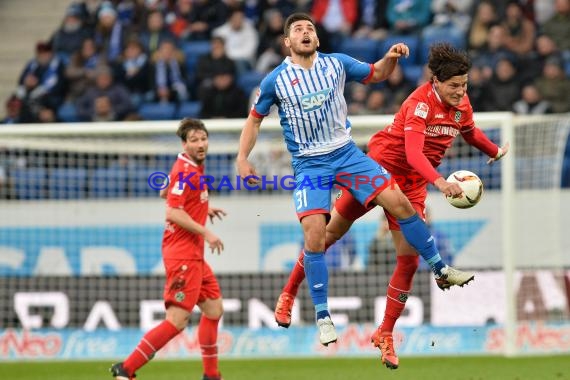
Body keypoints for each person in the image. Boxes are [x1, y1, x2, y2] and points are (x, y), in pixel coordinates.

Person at [236, 13, 475, 349]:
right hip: (309, 164)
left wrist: (389, 60)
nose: (305, 33)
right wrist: (243, 157)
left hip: (346, 155)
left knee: (400, 203)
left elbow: (375, 73)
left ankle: (439, 268)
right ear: (287, 43)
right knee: (317, 236)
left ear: (317, 39)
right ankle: (321, 316)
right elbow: (255, 121)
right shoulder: (275, 80)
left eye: (310, 29)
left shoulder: (336, 64)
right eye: (298, 31)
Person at [272, 42, 509, 369]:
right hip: (380, 170)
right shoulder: (419, 104)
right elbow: (413, 154)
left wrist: (494, 150)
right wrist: (440, 182)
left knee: (409, 260)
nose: (460, 91)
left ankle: (384, 333)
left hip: (412, 184)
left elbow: (470, 133)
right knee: (327, 236)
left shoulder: (461, 105)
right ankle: (288, 293)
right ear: (436, 82)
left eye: (464, 85)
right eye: (454, 86)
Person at [111, 118, 227, 380]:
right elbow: (173, 211)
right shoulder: (186, 170)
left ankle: (211, 376)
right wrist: (206, 231)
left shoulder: (189, 166)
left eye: (203, 138)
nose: (201, 144)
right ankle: (126, 369)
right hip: (183, 254)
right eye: (194, 140)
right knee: (177, 321)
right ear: (185, 144)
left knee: (213, 309)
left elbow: (166, 192)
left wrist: (205, 209)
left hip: (192, 255)